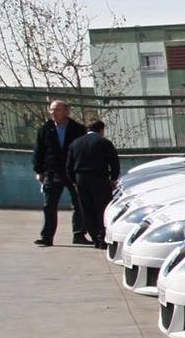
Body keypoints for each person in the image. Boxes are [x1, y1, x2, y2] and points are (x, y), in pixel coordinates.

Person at [32, 100, 85, 246]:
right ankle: (46, 237)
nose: (53, 113)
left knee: (79, 203)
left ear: (66, 112)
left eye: (57, 110)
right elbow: (39, 151)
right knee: (49, 205)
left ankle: (79, 234)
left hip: (73, 171)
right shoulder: (45, 129)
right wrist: (39, 170)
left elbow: (82, 151)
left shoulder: (78, 129)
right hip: (52, 171)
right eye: (51, 110)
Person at [66, 119, 120, 249]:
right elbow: (114, 162)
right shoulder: (104, 143)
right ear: (101, 130)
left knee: (87, 209)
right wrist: (113, 178)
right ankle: (103, 237)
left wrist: (74, 181)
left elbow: (69, 166)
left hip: (81, 179)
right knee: (102, 208)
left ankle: (95, 238)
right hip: (99, 178)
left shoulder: (75, 143)